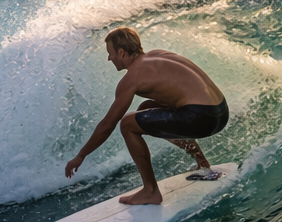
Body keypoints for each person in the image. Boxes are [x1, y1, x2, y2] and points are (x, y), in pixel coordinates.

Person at [64, 26, 229, 205]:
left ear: (121, 52)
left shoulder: (132, 78)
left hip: (201, 118)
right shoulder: (158, 55)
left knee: (127, 124)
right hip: (220, 112)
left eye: (110, 53)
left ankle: (150, 191)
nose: (109, 58)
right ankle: (202, 162)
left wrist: (81, 155)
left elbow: (108, 124)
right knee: (146, 109)